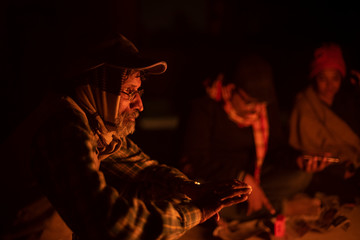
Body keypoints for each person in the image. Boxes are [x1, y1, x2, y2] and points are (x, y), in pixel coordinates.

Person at [0, 33, 252, 240]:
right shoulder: (64, 127)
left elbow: (144, 169)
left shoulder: (93, 122)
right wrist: (199, 209)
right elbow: (110, 223)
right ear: (95, 87)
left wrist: (192, 189)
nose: (140, 105)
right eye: (129, 92)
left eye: (138, 91)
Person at [180, 53, 310, 227]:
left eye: (261, 103)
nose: (257, 110)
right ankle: (280, 207)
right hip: (217, 179)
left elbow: (276, 147)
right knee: (196, 198)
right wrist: (241, 178)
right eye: (249, 102)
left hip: (256, 178)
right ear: (232, 89)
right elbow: (196, 160)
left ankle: (244, 208)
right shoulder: (205, 106)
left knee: (301, 175)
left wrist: (297, 159)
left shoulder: (262, 107)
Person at [289, 42, 360, 203]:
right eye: (323, 79)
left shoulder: (347, 101)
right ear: (315, 78)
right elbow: (305, 152)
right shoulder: (305, 106)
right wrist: (339, 168)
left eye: (335, 78)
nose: (330, 86)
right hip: (322, 173)